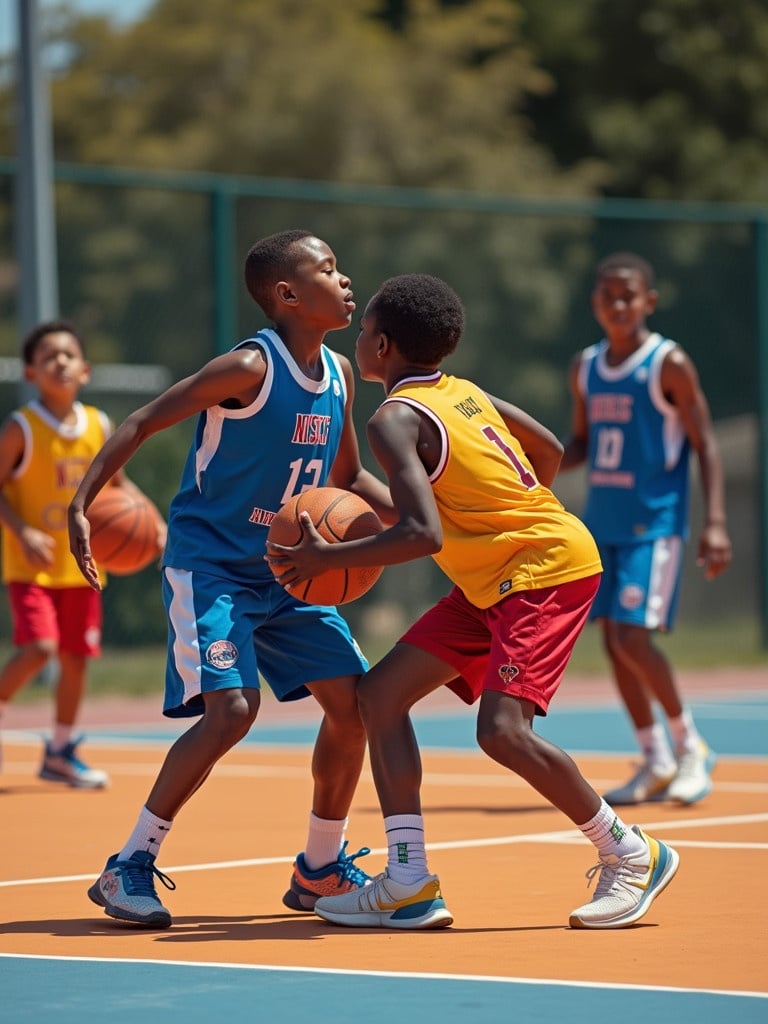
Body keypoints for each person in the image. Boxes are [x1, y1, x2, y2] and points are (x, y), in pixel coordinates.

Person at [266, 272, 680, 930]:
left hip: (542, 571)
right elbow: (544, 449)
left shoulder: (393, 418)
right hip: (499, 575)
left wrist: (325, 560)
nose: (363, 338)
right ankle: (408, 880)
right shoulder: (463, 392)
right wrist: (500, 518)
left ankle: (630, 853)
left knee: (501, 732)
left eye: (368, 329)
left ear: (384, 347)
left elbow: (420, 533)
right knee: (379, 697)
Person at [68, 229, 393, 929]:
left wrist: (427, 518)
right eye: (328, 269)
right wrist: (83, 499)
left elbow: (348, 479)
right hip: (211, 563)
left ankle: (318, 867)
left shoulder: (337, 374)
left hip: (291, 572)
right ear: (286, 294)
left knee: (355, 706)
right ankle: (129, 863)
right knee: (233, 711)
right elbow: (147, 418)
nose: (345, 281)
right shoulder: (250, 366)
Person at [559, 251, 731, 806]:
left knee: (634, 636)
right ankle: (654, 757)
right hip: (603, 523)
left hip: (653, 522)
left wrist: (717, 523)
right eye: (608, 296)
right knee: (613, 642)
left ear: (649, 302)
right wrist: (533, 460)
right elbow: (582, 443)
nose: (618, 305)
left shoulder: (668, 363)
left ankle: (690, 746)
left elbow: (706, 445)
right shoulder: (585, 366)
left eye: (628, 295)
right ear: (595, 305)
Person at [0, 320, 157, 788]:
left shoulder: (99, 425)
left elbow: (121, 489)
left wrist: (157, 524)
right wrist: (23, 530)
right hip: (33, 565)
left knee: (75, 658)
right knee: (39, 648)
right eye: (48, 356)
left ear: (85, 370)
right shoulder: (21, 428)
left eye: (68, 355)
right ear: (30, 373)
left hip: (83, 566)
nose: (60, 362)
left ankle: (61, 751)